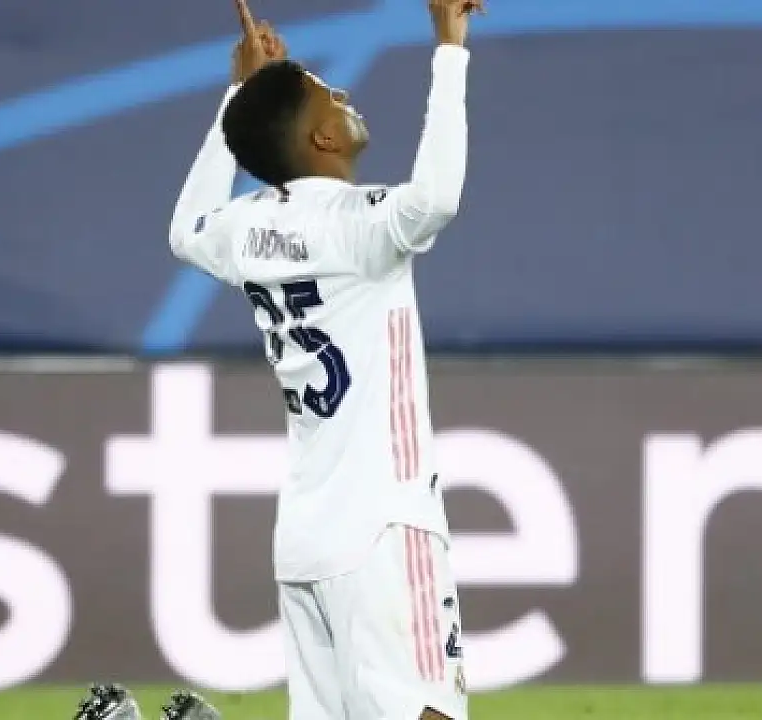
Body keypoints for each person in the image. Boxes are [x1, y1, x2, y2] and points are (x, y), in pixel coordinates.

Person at [75, 0, 482, 717]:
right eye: (331, 97)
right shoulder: (359, 228)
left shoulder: (249, 228)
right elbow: (436, 200)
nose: (345, 96)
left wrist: (238, 94)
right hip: (385, 522)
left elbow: (186, 231)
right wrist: (450, 49)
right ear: (322, 137)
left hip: (306, 535)